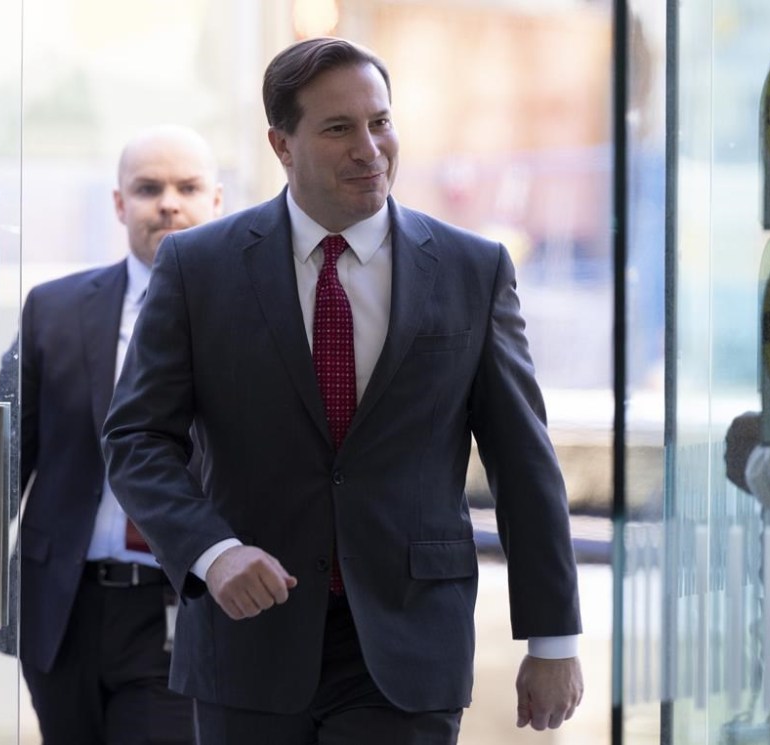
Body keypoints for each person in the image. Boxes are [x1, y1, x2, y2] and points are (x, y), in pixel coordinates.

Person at [102, 38, 583, 745]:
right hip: (248, 639)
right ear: (282, 144)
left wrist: (552, 638)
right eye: (338, 128)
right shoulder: (197, 267)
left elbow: (523, 460)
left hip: (409, 642)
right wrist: (212, 551)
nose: (370, 148)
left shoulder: (471, 269)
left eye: (380, 122)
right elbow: (136, 438)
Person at [0, 125, 223, 745]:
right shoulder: (52, 310)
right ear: (120, 204)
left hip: (178, 606)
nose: (168, 203)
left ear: (216, 201)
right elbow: (0, 463)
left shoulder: (246, 318)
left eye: (187, 188)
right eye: (148, 189)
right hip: (62, 605)